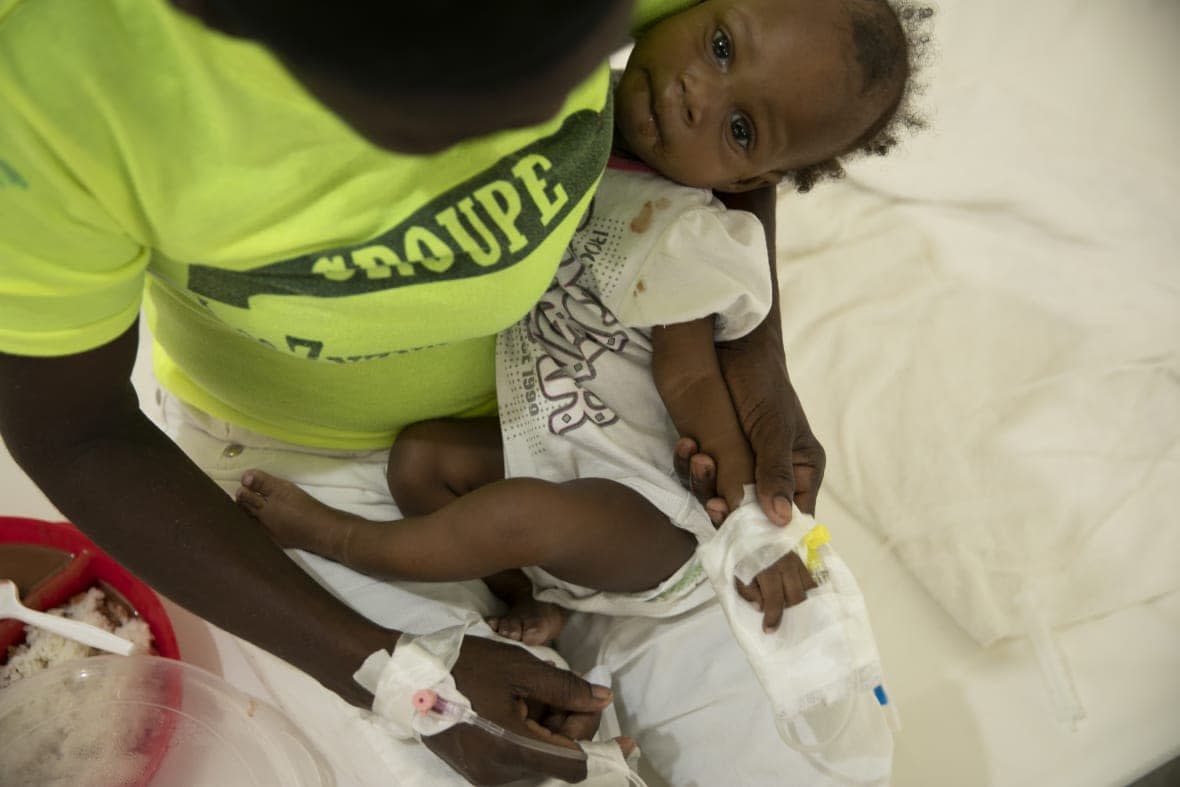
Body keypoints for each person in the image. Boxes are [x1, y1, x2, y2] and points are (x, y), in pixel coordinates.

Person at [0, 0, 836, 782]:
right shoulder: (51, 75)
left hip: (582, 389)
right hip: (299, 463)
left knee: (809, 735)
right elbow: (74, 429)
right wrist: (383, 667)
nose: (504, 150)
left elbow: (770, 99)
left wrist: (756, 348)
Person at [234, 0, 913, 652]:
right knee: (419, 462)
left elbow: (689, 375)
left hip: (650, 509)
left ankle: (341, 541)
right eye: (720, 46)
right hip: (553, 441)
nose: (696, 95)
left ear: (753, 176)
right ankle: (523, 595)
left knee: (525, 515)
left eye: (739, 130)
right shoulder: (577, 110)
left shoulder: (682, 231)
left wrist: (753, 526)